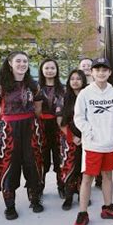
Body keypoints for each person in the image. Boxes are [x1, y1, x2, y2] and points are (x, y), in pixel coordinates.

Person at [71, 57, 113, 225]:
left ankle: (108, 207)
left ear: (109, 72)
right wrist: (90, 132)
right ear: (92, 72)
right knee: (87, 178)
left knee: (108, 176)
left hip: (109, 144)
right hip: (92, 145)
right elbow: (79, 117)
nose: (101, 73)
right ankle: (82, 213)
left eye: (104, 70)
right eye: (97, 70)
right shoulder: (85, 93)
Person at [0, 51, 44, 220]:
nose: (22, 64)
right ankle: (10, 206)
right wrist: (5, 124)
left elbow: (38, 108)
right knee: (9, 166)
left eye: (25, 61)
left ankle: (34, 199)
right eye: (18, 61)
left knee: (32, 162)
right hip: (9, 131)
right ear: (10, 63)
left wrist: (31, 123)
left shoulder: (33, 85)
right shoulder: (0, 85)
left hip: (30, 128)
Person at [57, 69, 88, 210]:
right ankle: (68, 197)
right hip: (69, 138)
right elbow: (60, 121)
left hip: (87, 138)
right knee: (69, 167)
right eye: (72, 79)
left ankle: (83, 195)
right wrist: (73, 137)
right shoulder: (63, 97)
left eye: (78, 78)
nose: (75, 81)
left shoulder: (89, 96)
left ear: (83, 81)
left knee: (84, 169)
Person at [38, 58, 65, 198]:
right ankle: (39, 187)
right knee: (41, 159)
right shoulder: (35, 88)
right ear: (42, 70)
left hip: (58, 126)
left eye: (52, 68)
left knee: (60, 157)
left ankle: (61, 186)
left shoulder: (63, 89)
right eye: (47, 68)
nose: (49, 71)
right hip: (41, 127)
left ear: (57, 70)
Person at [79, 58, 103, 189]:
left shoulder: (100, 85)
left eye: (89, 65)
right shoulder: (76, 84)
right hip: (82, 129)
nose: (86, 68)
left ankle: (99, 180)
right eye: (83, 65)